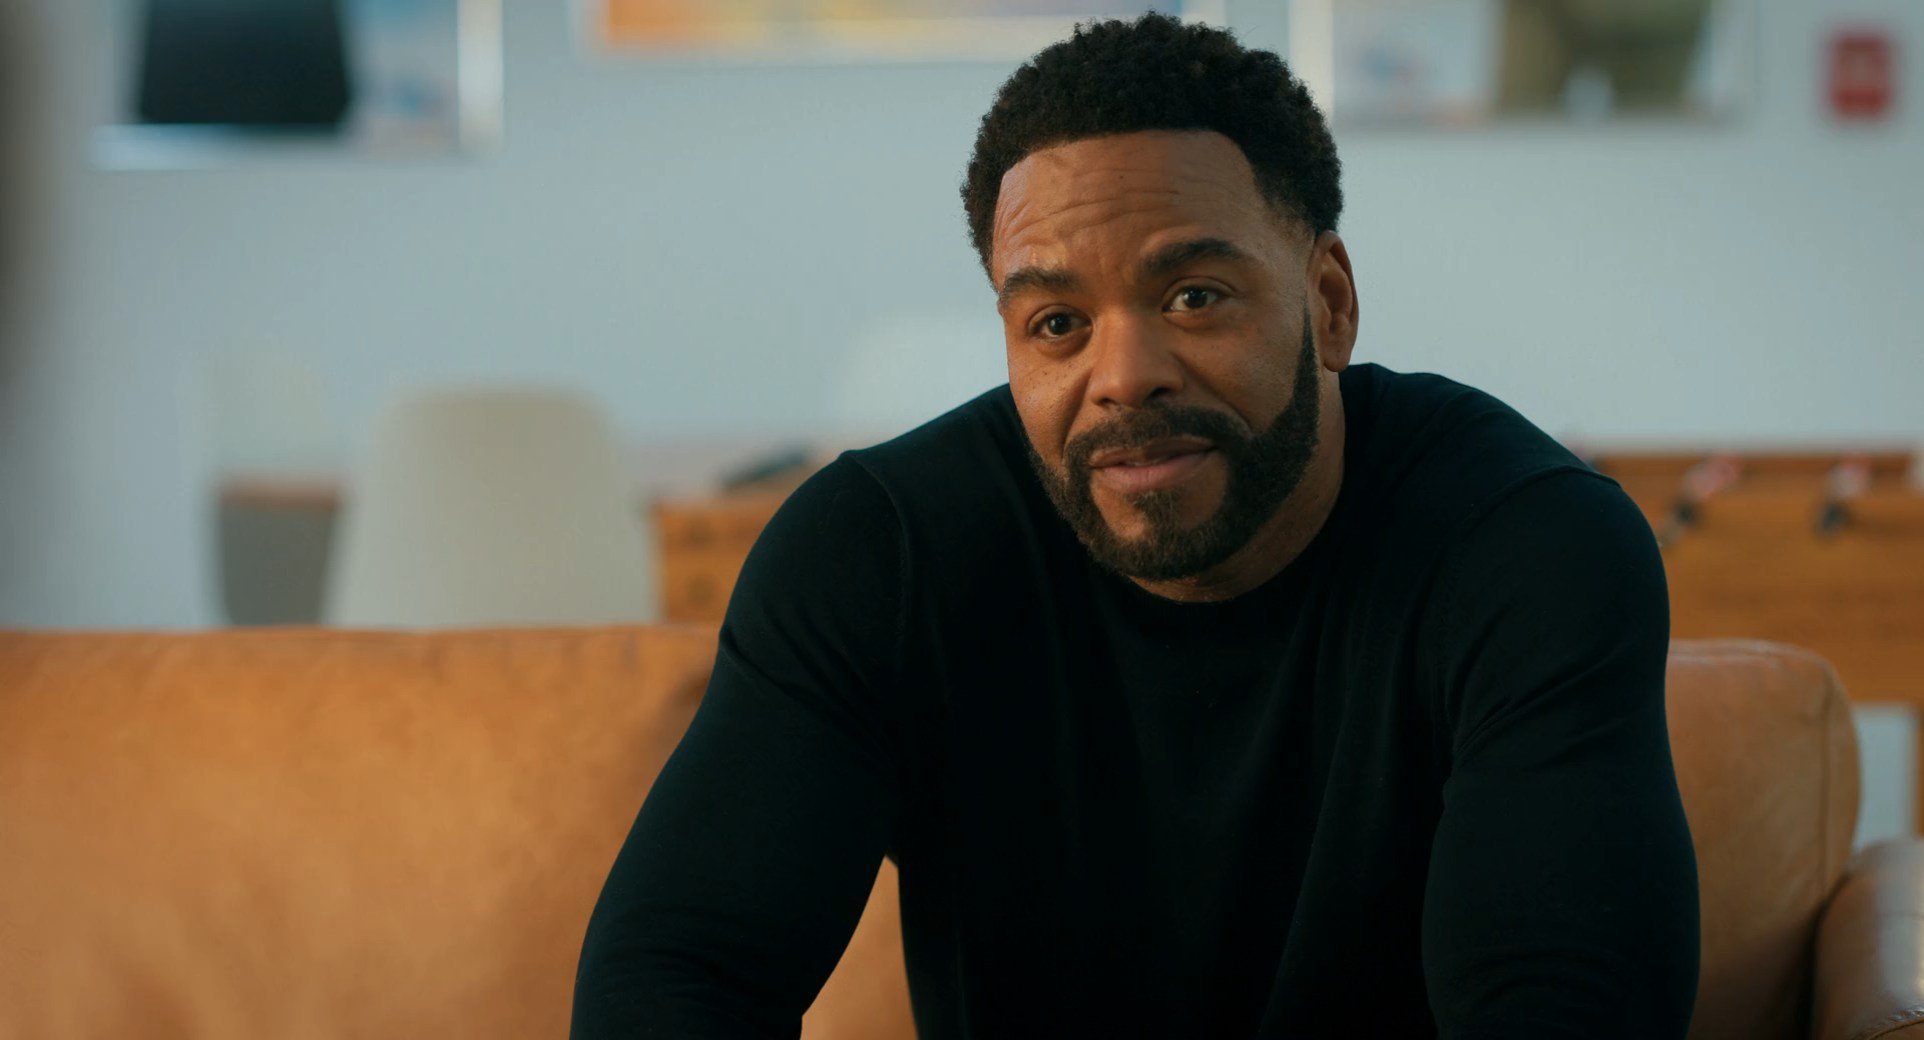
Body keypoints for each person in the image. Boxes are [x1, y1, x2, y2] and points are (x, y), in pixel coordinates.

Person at [573, 13, 1699, 1038]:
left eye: (1193, 297)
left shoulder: (1526, 546)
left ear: (1329, 304)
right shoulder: (878, 553)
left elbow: (1560, 1006)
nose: (1123, 376)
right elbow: (677, 976)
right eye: (1056, 322)